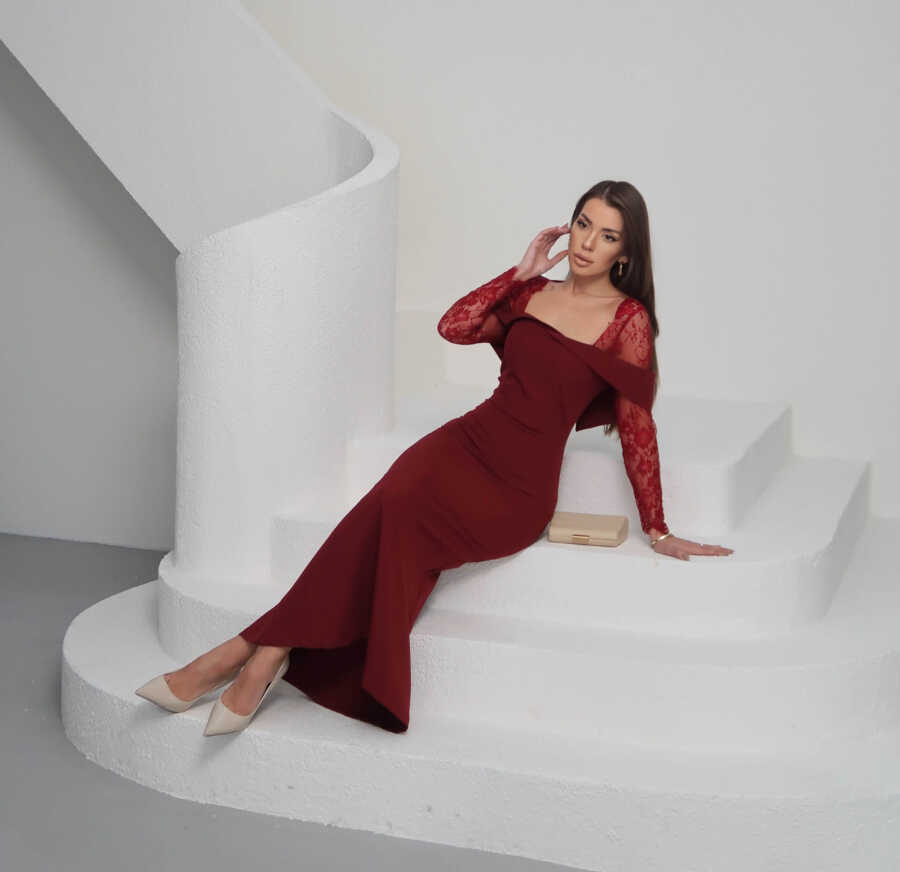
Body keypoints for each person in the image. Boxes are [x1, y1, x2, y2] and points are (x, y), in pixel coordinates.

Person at [136, 180, 733, 735]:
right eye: (582, 224)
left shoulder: (627, 320)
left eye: (607, 236)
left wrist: (657, 528)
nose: (586, 243)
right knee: (391, 500)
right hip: (465, 441)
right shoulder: (532, 293)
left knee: (396, 514)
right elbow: (455, 327)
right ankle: (262, 656)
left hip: (518, 488)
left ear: (624, 253)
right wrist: (518, 272)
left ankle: (243, 654)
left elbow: (637, 423)